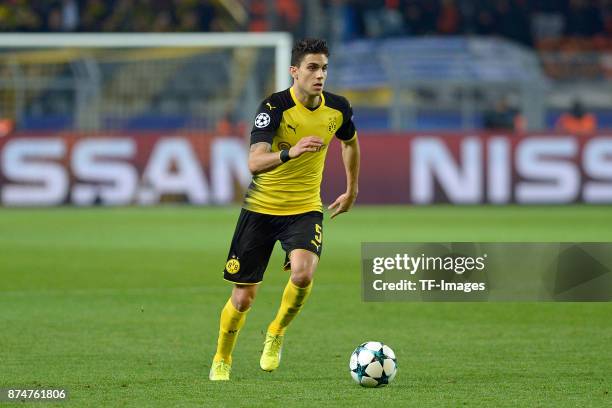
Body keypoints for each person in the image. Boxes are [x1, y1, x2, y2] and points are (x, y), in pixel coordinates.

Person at [209, 38, 360, 381]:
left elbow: (350, 143)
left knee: (303, 273)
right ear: (294, 71)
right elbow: (253, 161)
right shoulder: (273, 107)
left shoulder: (338, 108)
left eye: (323, 68)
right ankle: (222, 356)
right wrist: (290, 152)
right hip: (261, 209)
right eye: (311, 67)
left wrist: (351, 190)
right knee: (244, 298)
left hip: (305, 208)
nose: (319, 74)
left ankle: (276, 331)